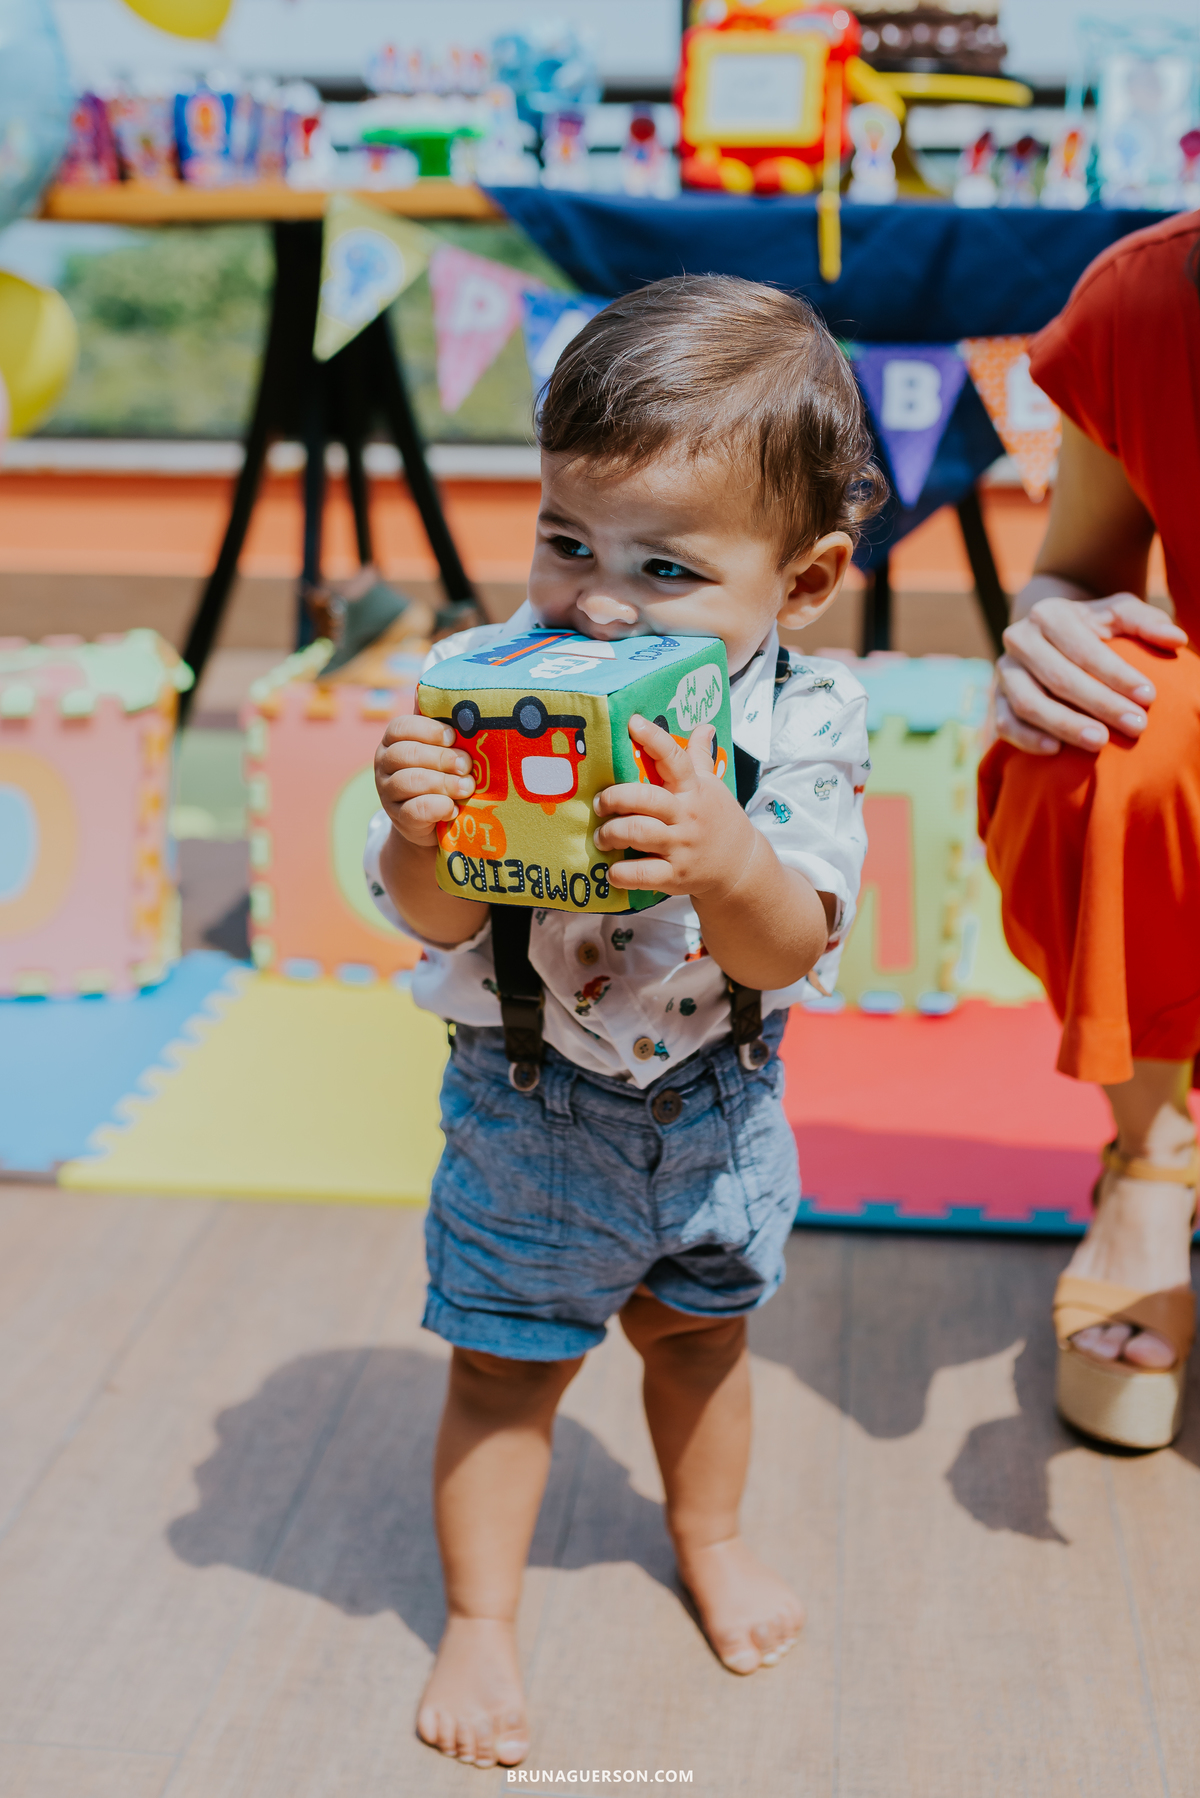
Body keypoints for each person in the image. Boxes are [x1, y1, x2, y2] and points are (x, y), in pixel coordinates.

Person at [365, 276, 882, 1768]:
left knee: (701, 1348)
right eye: (565, 541)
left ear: (800, 582)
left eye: (664, 568)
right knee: (500, 1367)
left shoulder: (807, 722)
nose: (594, 601)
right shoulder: (494, 685)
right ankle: (479, 1614)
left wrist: (730, 855)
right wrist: (421, 830)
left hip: (717, 1114)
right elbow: (434, 916)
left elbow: (789, 946)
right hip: (526, 1111)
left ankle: (706, 1538)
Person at [978, 210, 1200, 1451]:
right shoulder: (1146, 301)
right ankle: (1151, 1161)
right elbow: (1079, 567)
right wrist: (1053, 627)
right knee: (1115, 706)